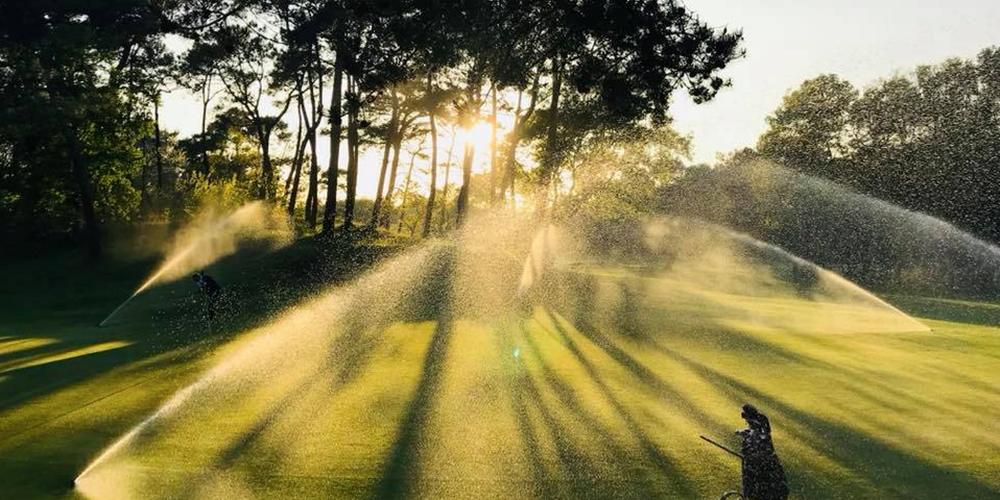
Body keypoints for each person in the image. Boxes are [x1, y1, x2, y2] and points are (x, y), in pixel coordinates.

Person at [736, 404, 789, 500]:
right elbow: (756, 432)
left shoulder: (756, 425)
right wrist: (743, 433)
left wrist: (745, 438)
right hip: (768, 460)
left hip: (760, 463)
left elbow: (755, 436)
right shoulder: (761, 420)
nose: (744, 419)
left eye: (744, 415)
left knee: (760, 487)